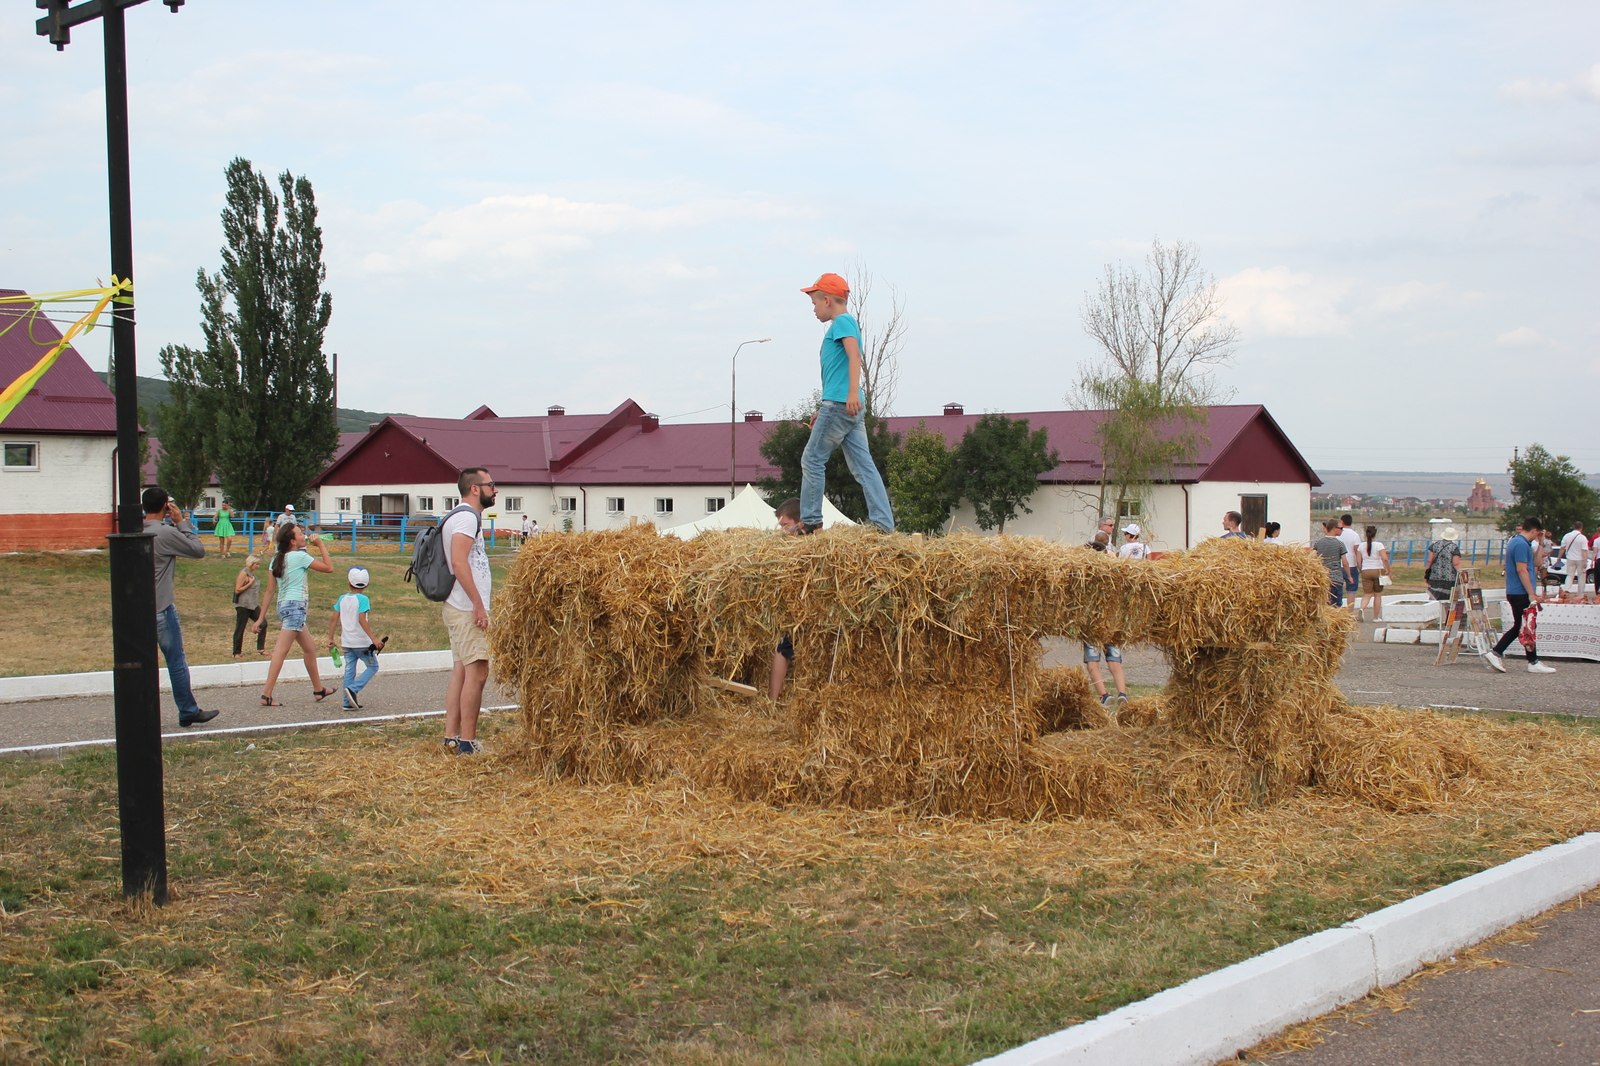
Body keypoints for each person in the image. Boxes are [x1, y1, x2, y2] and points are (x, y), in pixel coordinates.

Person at [797, 273, 895, 533]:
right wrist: (825, 406)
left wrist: (850, 394)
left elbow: (854, 356)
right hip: (846, 406)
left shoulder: (842, 322)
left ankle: (810, 522)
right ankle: (883, 525)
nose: (814, 309)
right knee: (864, 466)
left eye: (815, 303)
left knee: (812, 460)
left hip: (841, 404)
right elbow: (837, 371)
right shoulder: (845, 323)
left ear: (827, 300)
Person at [143, 488, 220, 728]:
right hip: (162, 607)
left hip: (138, 609)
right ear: (166, 507)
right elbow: (198, 550)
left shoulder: (137, 531)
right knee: (175, 661)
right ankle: (187, 710)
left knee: (142, 664)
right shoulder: (164, 533)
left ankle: (142, 713)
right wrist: (181, 523)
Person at [254, 521, 338, 705]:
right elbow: (328, 568)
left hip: (284, 606)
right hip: (295, 608)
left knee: (309, 648)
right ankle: (266, 694)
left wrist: (261, 617)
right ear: (292, 541)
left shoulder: (276, 559)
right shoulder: (299, 556)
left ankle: (318, 690)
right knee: (280, 652)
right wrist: (321, 545)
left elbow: (269, 591)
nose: (304, 536)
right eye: (300, 534)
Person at [443, 467, 496, 755]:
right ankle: (467, 743)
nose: (495, 490)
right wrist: (477, 603)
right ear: (475, 489)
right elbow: (459, 562)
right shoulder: (466, 517)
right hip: (465, 607)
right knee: (477, 671)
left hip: (457, 605)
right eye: (491, 484)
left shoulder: (458, 516)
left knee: (461, 671)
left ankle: (452, 736)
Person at [1486, 517, 1555, 674]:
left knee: (1526, 626)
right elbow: (1521, 569)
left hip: (1518, 591)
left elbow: (1536, 563)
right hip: (1520, 592)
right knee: (1523, 626)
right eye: (1538, 534)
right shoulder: (1520, 544)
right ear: (1535, 530)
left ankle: (1532, 660)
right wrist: (1531, 593)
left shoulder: (1522, 543)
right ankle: (1498, 653)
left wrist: (1541, 543)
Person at [328, 566, 382, 710]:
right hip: (361, 642)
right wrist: (374, 638)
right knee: (373, 666)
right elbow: (362, 619)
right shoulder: (363, 599)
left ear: (348, 582)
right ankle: (354, 689)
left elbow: (334, 619)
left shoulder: (342, 598)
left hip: (347, 642)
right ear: (367, 584)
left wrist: (330, 638)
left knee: (349, 671)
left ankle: (347, 702)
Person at [769, 498, 803, 700]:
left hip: (810, 612)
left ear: (799, 523)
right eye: (780, 526)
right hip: (792, 612)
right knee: (783, 649)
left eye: (786, 525)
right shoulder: (784, 550)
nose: (782, 531)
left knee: (784, 650)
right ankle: (773, 700)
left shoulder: (812, 545)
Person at [232, 553, 268, 658]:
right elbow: (237, 589)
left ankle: (261, 648)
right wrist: (249, 583)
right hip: (243, 605)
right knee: (240, 627)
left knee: (263, 623)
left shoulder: (252, 574)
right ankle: (236, 652)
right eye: (257, 564)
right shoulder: (244, 573)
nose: (258, 566)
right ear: (251, 563)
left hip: (253, 604)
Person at [1353, 525, 1390, 622]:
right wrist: (1389, 571)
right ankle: (1376, 617)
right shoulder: (1379, 545)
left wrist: (1362, 570)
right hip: (1378, 570)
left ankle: (1361, 609)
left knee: (1367, 594)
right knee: (1377, 594)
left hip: (1366, 570)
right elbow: (1385, 558)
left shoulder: (1361, 546)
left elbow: (1358, 561)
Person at [1311, 519, 1347, 606]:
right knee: (1336, 604)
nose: (1342, 530)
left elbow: (1312, 558)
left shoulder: (1318, 543)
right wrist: (1348, 575)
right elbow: (1345, 562)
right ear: (1334, 528)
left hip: (1323, 578)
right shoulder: (1340, 544)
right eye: (1341, 528)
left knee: (1325, 604)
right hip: (1336, 578)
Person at [1424, 527, 1464, 602]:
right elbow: (1456, 563)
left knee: (1434, 597)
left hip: (1435, 576)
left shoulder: (1434, 545)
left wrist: (1427, 573)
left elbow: (1430, 560)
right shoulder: (1453, 547)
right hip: (1449, 578)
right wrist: (1461, 573)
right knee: (1448, 600)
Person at [1336, 514, 1362, 615]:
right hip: (1351, 564)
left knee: (1337, 588)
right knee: (1351, 589)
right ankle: (1349, 613)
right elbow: (1357, 550)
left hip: (1338, 565)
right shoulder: (1355, 535)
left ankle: (1337, 611)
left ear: (1342, 522)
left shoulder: (1338, 534)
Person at [1559, 521, 1590, 598]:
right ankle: (1580, 595)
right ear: (1581, 528)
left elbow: (1562, 548)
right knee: (1581, 577)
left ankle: (1566, 590)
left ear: (1574, 527)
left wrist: (1559, 557)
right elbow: (1584, 551)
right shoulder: (1582, 538)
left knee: (1570, 575)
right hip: (1580, 559)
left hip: (1570, 559)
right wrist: (1586, 561)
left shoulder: (1567, 536)